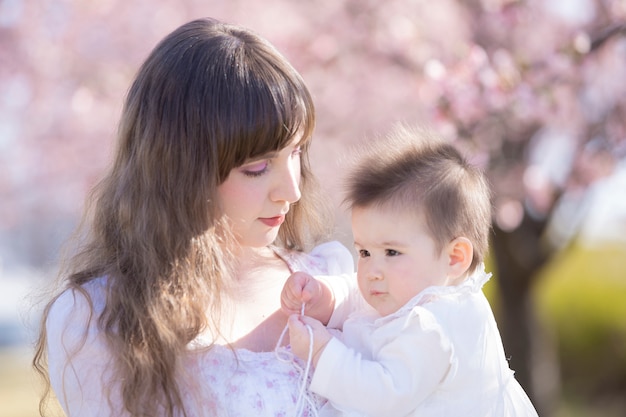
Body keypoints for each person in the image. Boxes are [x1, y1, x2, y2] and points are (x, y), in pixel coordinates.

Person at [32, 17, 355, 417]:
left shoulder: (329, 283)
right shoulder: (98, 317)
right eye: (256, 168)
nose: (292, 191)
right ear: (181, 170)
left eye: (296, 153)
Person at [281, 125, 539, 416]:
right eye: (364, 252)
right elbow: (359, 295)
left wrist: (321, 352)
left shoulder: (435, 325)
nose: (372, 271)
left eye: (392, 252)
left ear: (455, 258)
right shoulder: (415, 288)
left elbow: (383, 395)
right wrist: (326, 296)